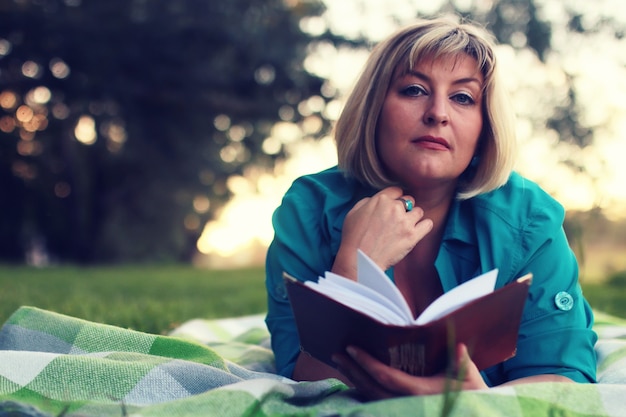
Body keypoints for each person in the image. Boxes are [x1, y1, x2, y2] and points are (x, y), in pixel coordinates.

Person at [264, 16, 597, 399]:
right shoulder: (307, 210)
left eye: (462, 98)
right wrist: (353, 266)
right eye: (414, 90)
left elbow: (564, 379)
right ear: (374, 109)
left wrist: (475, 399)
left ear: (484, 127)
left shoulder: (529, 220)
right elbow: (304, 382)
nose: (438, 112)